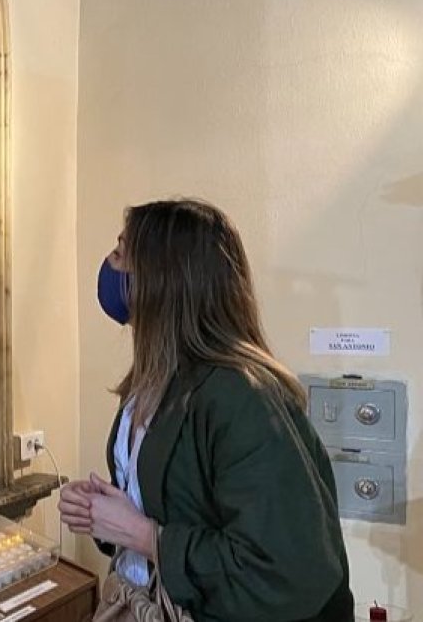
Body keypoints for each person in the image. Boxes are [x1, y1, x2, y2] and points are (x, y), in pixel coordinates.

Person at [58, 199, 353, 620]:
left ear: (164, 279)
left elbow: (286, 571)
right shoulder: (149, 384)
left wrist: (146, 537)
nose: (107, 264)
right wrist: (106, 514)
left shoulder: (243, 397)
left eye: (120, 253)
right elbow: (175, 501)